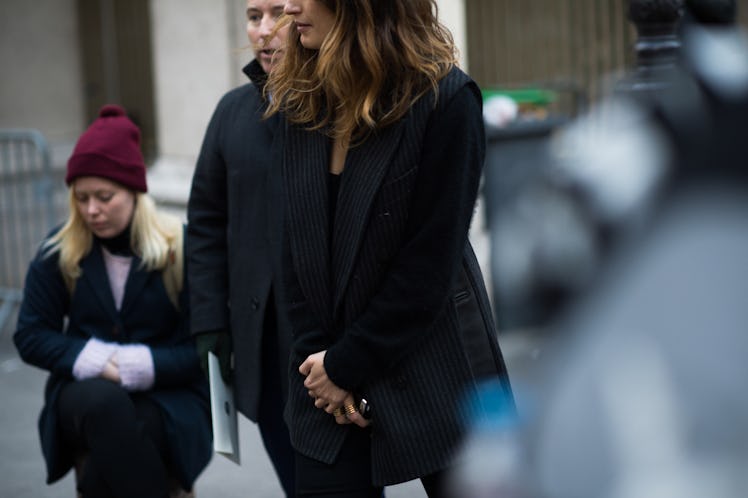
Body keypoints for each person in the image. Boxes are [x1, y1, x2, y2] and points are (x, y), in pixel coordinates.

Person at [266, 1, 515, 496]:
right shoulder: (297, 97)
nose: (288, 5)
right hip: (321, 370)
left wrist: (347, 364)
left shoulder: (446, 99)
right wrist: (324, 367)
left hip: (433, 358)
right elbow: (293, 245)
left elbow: (427, 266)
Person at [13, 105, 212, 498]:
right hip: (83, 394)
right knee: (103, 403)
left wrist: (140, 365)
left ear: (135, 192)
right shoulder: (59, 250)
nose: (91, 210)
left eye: (105, 197)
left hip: (169, 397)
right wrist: (103, 362)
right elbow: (31, 335)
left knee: (111, 459)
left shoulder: (182, 246)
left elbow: (204, 349)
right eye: (81, 197)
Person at [186, 1, 296, 495]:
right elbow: (205, 224)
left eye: (279, 14)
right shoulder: (232, 111)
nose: (264, 31)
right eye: (254, 17)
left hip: (333, 349)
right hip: (262, 348)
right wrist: (211, 323)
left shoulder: (345, 106)